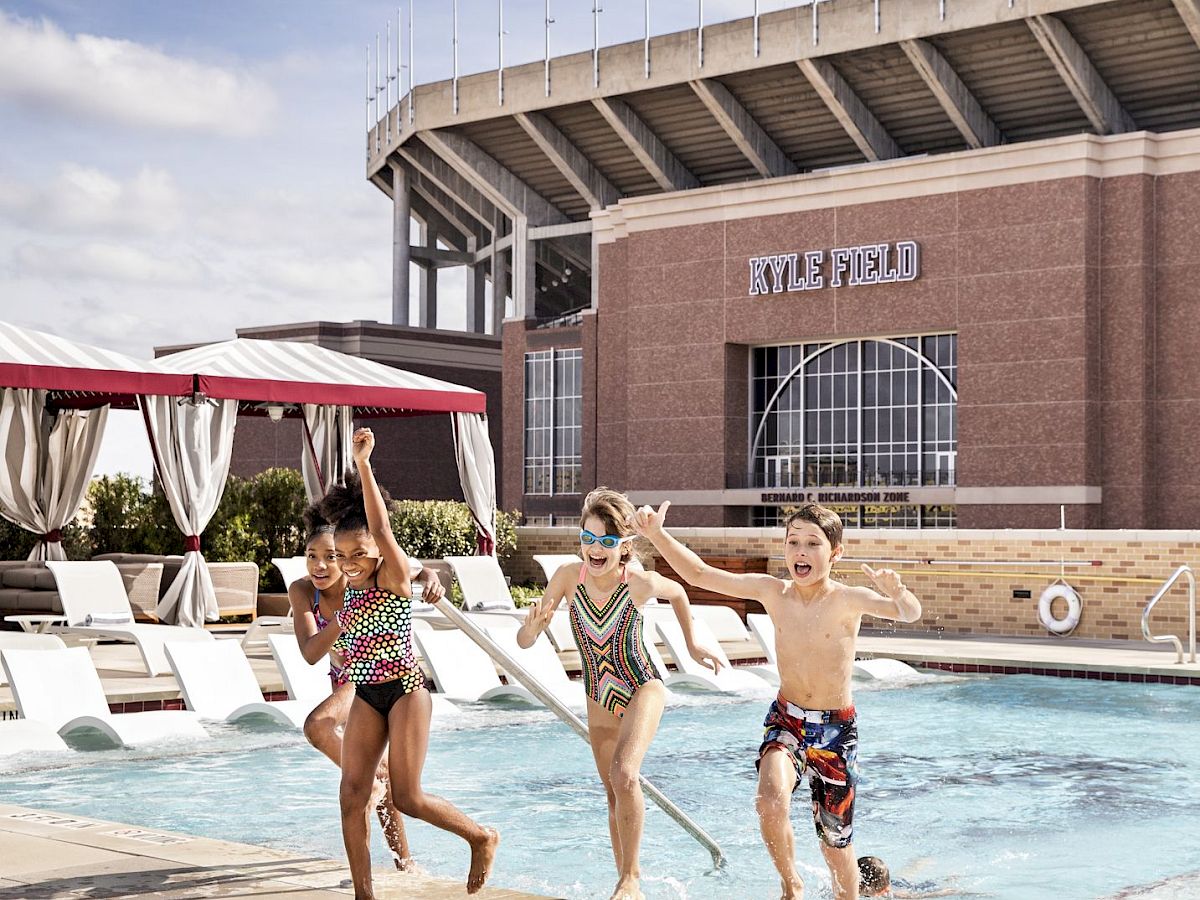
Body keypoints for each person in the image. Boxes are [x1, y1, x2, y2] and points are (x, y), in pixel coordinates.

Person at [631, 501, 922, 900]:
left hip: (837, 733)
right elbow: (700, 574)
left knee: (835, 844)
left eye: (813, 544)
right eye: (793, 542)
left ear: (835, 552)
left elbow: (908, 614)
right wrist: (656, 535)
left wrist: (899, 592)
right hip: (788, 720)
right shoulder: (773, 591)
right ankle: (791, 886)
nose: (801, 552)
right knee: (769, 801)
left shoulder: (848, 598)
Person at [518, 487, 723, 900]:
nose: (596, 549)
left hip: (642, 684)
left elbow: (680, 592)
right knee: (613, 790)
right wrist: (533, 628)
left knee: (625, 774)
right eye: (588, 539)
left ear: (624, 547)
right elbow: (524, 641)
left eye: (607, 542)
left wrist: (693, 644)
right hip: (598, 694)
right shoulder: (566, 578)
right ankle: (624, 882)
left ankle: (632, 877)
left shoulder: (639, 583)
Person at [320, 427, 499, 899]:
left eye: (359, 554)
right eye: (343, 555)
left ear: (379, 550)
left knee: (407, 797)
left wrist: (363, 464)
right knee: (351, 795)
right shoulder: (351, 581)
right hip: (366, 695)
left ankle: (480, 837)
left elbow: (381, 529)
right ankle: (364, 895)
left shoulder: (393, 572)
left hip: (405, 692)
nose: (351, 562)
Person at [289, 502, 443, 871]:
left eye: (331, 556)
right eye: (312, 557)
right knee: (377, 776)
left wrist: (431, 578)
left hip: (378, 673)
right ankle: (405, 863)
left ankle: (403, 858)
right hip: (346, 677)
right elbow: (311, 652)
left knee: (318, 725)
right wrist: (343, 620)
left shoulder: (366, 573)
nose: (321, 566)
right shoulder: (303, 591)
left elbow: (414, 568)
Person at [858, 856, 961, 898]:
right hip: (894, 881)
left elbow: (919, 896)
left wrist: (950, 892)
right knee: (903, 875)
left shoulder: (889, 894)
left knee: (926, 886)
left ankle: (950, 878)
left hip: (903, 888)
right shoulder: (863, 885)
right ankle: (918, 863)